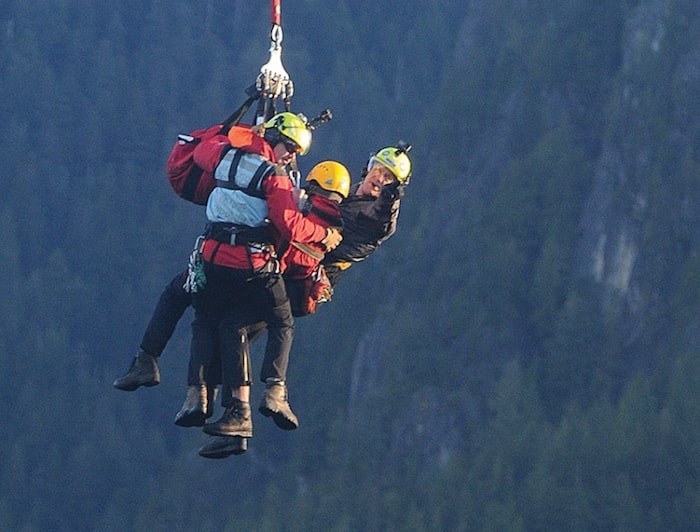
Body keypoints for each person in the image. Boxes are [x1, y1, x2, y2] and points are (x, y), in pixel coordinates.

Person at [197, 145, 413, 458]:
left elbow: (380, 219)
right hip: (290, 275)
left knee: (233, 327)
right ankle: (234, 422)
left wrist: (390, 198)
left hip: (300, 286)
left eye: (389, 178)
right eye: (378, 170)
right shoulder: (351, 197)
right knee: (232, 332)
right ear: (368, 167)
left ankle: (243, 413)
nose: (380, 179)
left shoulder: (374, 216)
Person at [174, 160, 349, 430]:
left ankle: (224, 403)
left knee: (226, 326)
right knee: (236, 329)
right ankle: (253, 402)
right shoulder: (334, 218)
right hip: (291, 293)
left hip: (269, 283)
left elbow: (286, 228)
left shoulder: (307, 208)